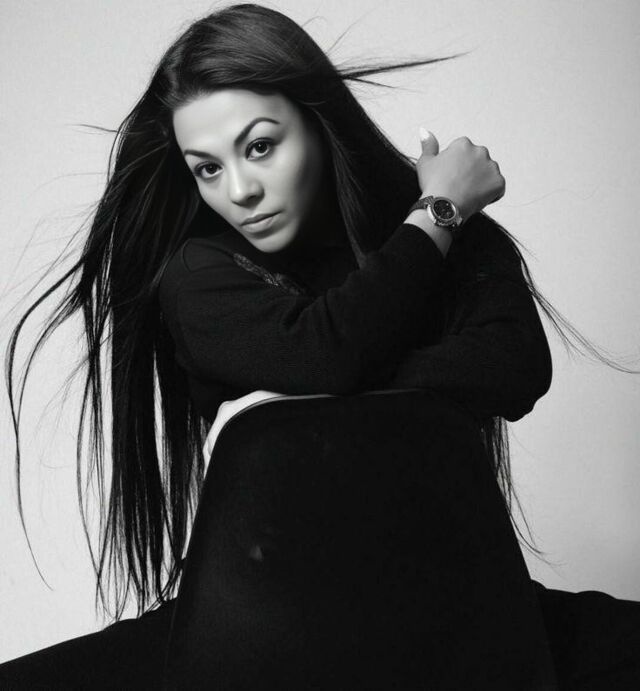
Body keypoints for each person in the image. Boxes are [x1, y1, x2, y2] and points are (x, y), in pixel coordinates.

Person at [2, 3, 639, 689]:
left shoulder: (449, 242)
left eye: (259, 146)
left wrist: (295, 387)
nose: (240, 190)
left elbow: (513, 367)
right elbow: (329, 353)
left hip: (464, 616)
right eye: (207, 169)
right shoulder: (201, 273)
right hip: (248, 632)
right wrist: (437, 218)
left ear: (317, 121)